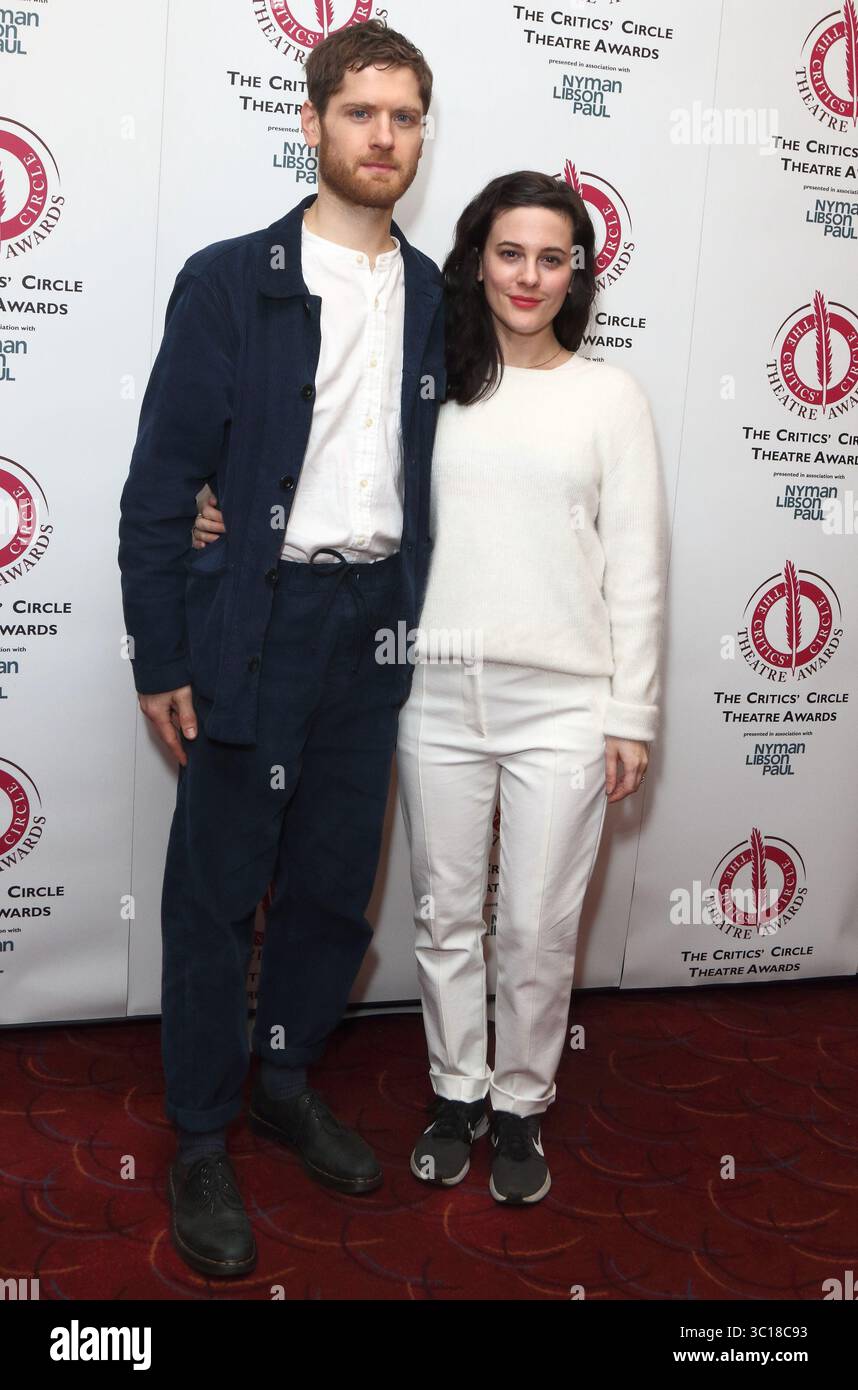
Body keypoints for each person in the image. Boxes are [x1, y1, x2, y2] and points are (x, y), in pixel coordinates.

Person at [197, 169, 669, 1207]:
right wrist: (215, 501)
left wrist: (631, 712)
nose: (530, 275)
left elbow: (636, 566)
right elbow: (325, 463)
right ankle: (456, 1090)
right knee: (444, 913)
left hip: (566, 704)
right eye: (510, 253)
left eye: (553, 257)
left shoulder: (611, 398)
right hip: (432, 696)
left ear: (577, 271)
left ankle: (521, 1103)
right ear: (476, 262)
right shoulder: (432, 387)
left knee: (537, 927)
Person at [117, 20, 445, 1279]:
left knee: (329, 881)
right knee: (215, 892)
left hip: (375, 624)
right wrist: (162, 650)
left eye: (404, 116)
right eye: (360, 112)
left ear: (423, 132)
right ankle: (200, 1133)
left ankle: (283, 1079)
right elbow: (162, 484)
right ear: (312, 122)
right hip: (253, 620)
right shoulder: (230, 279)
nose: (382, 136)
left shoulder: (441, 301)